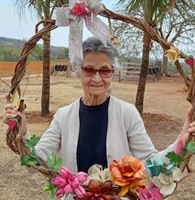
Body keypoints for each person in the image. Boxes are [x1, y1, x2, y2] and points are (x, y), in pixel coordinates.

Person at [3, 37, 195, 183]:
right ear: (78, 71)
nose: (97, 78)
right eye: (89, 70)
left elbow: (151, 163)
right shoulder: (64, 116)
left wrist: (183, 137)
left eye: (104, 70)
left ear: (112, 72)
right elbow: (34, 163)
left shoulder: (127, 113)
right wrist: (21, 128)